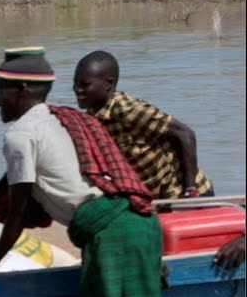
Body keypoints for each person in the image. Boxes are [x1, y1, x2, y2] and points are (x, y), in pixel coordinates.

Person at [0, 47, 241, 297]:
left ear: (21, 91)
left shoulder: (20, 136)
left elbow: (16, 214)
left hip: (114, 234)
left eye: (0, 90)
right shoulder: (64, 118)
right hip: (137, 222)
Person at [72, 50, 214, 199]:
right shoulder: (93, 118)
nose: (77, 90)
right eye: (75, 83)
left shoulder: (129, 109)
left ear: (109, 83)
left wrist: (190, 190)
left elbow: (185, 135)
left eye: (85, 84)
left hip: (183, 194)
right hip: (154, 198)